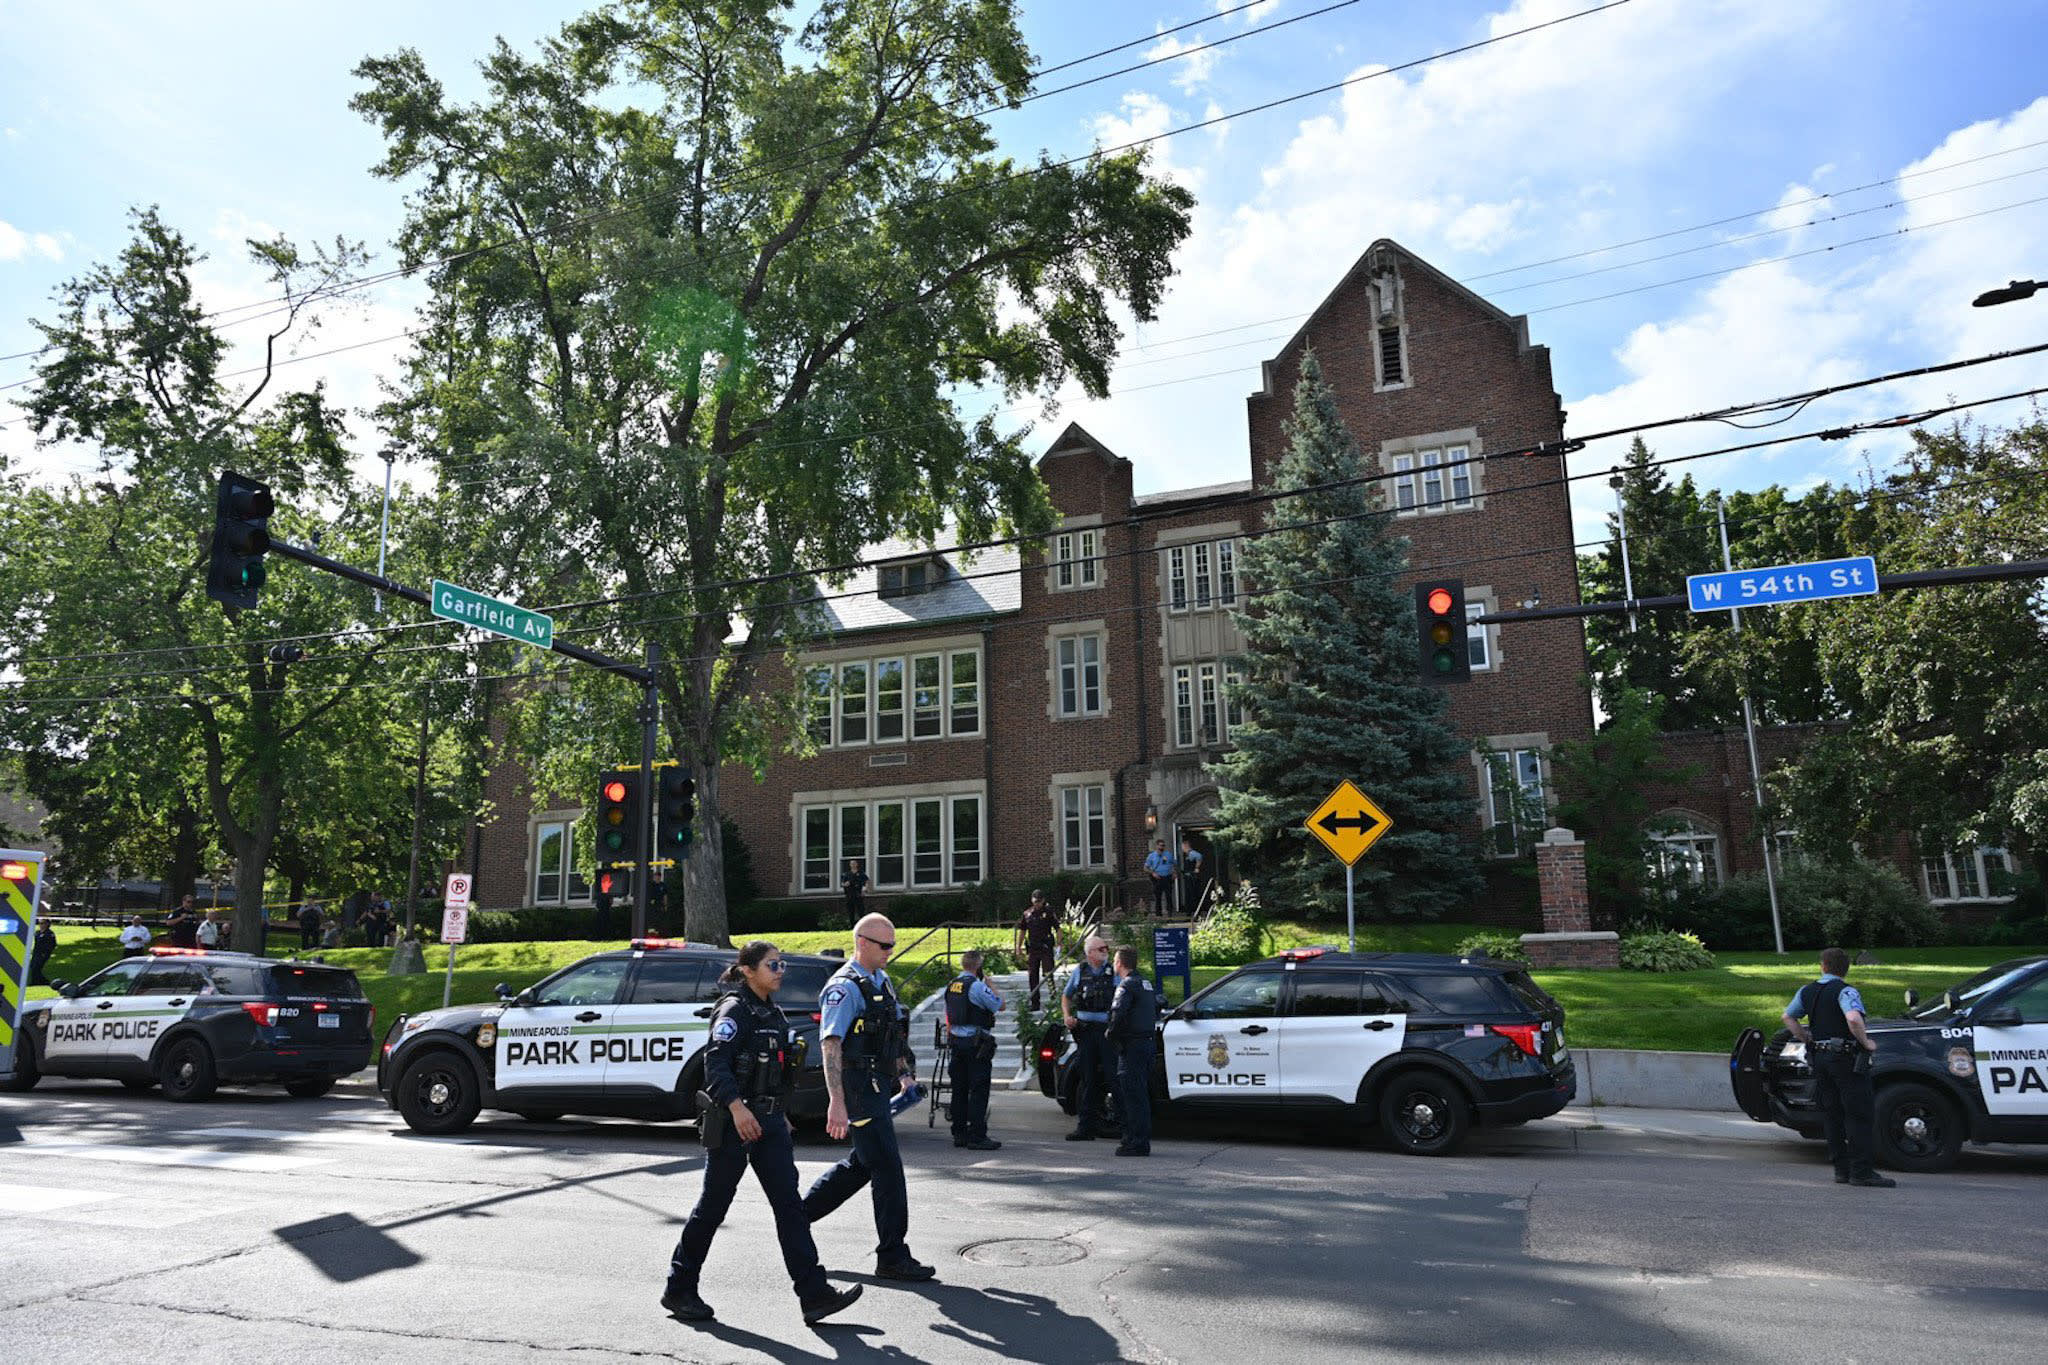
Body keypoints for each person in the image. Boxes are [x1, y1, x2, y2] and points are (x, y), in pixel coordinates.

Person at [661, 940, 863, 1326]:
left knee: (790, 1207)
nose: (781, 970)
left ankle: (814, 1294)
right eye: (773, 965)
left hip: (769, 1123)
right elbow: (715, 1064)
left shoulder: (773, 1012)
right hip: (735, 1121)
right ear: (749, 971)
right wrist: (737, 1109)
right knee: (712, 1208)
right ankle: (680, 1287)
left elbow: (779, 1070)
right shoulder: (735, 1010)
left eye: (782, 963)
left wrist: (780, 1112)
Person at [801, 912, 936, 1282]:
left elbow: (889, 1034)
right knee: (887, 1168)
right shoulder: (843, 988)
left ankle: (796, 1218)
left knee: (862, 1164)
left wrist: (904, 1075)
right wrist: (837, 1101)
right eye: (885, 945)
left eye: (893, 944)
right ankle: (892, 1255)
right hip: (859, 1091)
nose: (891, 951)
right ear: (862, 942)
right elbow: (831, 1045)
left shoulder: (881, 981)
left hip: (878, 1086)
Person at [1783, 947, 1895, 1189]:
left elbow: (1788, 1017)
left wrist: (1805, 1038)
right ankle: (1862, 1171)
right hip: (1845, 1058)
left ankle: (1840, 1170)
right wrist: (1866, 1042)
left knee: (1831, 1114)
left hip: (1820, 1058)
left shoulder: (1807, 991)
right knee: (1858, 1113)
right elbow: (1853, 1019)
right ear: (1846, 969)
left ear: (1823, 966)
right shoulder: (1846, 991)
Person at [942, 949, 1004, 1151]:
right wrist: (992, 987)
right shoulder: (977, 986)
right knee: (978, 1089)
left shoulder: (952, 985)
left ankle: (959, 1133)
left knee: (959, 1089)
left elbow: (949, 1014)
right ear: (978, 965)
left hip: (956, 1043)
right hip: (975, 1045)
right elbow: (999, 1005)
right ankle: (977, 1136)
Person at [1061, 934, 1119, 1141]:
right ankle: (1085, 1127)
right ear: (1090, 953)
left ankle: (1121, 1125)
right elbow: (1066, 996)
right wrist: (1068, 1016)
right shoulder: (1080, 971)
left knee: (1113, 1076)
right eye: (1102, 949)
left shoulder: (1114, 972)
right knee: (1087, 1077)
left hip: (1106, 1031)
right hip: (1085, 1031)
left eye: (1106, 948)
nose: (1106, 951)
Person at [1107, 946, 1159, 1157]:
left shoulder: (1126, 986)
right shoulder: (1145, 984)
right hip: (1147, 1043)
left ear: (1119, 963)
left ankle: (1136, 1142)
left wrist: (1111, 1034)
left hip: (1132, 1047)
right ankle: (1140, 1139)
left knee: (1132, 1096)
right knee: (1141, 1095)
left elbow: (1118, 1013)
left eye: (1114, 960)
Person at [1014, 889, 1060, 1012]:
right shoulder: (1027, 914)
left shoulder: (1049, 912)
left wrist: (1059, 944)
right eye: (1035, 901)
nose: (1037, 904)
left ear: (1043, 900)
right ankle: (1035, 1003)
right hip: (1033, 949)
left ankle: (1054, 999)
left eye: (1039, 902)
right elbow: (1022, 931)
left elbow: (1058, 928)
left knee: (1048, 974)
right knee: (1032, 976)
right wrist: (1018, 947)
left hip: (1045, 947)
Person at [1144, 840, 1176, 917]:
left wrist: (1174, 873)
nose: (1162, 847)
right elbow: (1145, 868)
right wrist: (1153, 873)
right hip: (1157, 878)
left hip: (1167, 877)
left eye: (1163, 845)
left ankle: (1170, 912)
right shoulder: (1151, 856)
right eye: (1161, 845)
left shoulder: (1168, 855)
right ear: (1157, 846)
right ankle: (1158, 913)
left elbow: (1174, 864)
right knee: (1158, 896)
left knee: (1169, 895)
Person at [1179, 836, 1205, 914]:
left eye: (1182, 846)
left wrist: (1197, 867)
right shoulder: (1187, 855)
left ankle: (1196, 911)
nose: (1182, 848)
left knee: (1193, 894)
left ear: (1186, 845)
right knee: (1189, 895)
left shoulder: (1193, 854)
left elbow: (1199, 857)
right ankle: (1190, 911)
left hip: (1192, 878)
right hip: (1188, 877)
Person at [840, 859, 868, 929]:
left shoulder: (861, 873)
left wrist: (864, 890)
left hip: (858, 894)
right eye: (851, 863)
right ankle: (852, 926)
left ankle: (863, 927)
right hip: (849, 895)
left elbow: (866, 881)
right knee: (850, 911)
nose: (853, 865)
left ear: (857, 864)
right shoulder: (847, 874)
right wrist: (845, 884)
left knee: (861, 911)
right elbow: (842, 883)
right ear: (850, 865)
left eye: (854, 863)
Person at [29, 918, 58, 986]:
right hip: (36, 953)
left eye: (42, 923)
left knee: (37, 968)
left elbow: (53, 944)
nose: (41, 925)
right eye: (40, 923)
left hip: (43, 954)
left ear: (47, 924)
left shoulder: (50, 933)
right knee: (33, 967)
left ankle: (43, 982)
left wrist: (46, 953)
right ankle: (38, 981)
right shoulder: (37, 932)